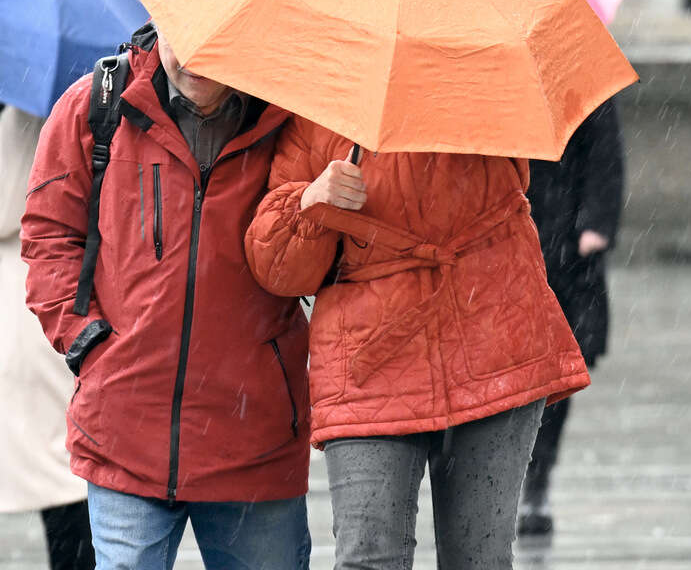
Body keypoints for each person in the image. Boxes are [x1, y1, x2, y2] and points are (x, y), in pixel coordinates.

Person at [21, 23, 312, 570]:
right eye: (188, 33)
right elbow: (47, 236)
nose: (198, 56)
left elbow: (309, 264)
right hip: (124, 428)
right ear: (160, 22)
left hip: (255, 436)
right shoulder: (95, 107)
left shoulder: (290, 117)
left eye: (217, 36)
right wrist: (87, 341)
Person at [244, 120, 593, 569]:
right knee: (369, 558)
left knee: (479, 559)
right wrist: (310, 203)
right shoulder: (319, 99)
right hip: (368, 352)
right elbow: (280, 273)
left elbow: (514, 182)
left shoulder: (481, 82)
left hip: (491, 334)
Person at [0, 104, 94, 569]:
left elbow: (1, 209)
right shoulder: (111, 91)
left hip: (35, 293)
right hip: (85, 280)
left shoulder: (31, 110)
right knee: (75, 458)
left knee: (55, 470)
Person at [520, 97, 625, 536]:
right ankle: (521, 480)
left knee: (556, 381)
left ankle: (536, 478)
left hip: (564, 250)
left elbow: (605, 155)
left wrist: (594, 226)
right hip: (516, 242)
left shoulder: (581, 84)